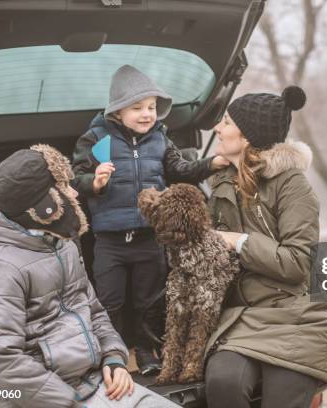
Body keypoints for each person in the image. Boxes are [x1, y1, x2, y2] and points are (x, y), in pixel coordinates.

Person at [0, 145, 180, 408]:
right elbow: (2, 364)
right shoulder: (1, 270)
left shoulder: (63, 246)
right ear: (45, 207)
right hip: (46, 399)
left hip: (95, 382)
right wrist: (70, 401)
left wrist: (113, 358)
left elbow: (94, 310)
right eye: (64, 186)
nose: (75, 192)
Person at [72, 65, 229, 375]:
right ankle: (112, 355)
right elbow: (75, 179)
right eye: (137, 108)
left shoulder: (160, 139)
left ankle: (146, 351)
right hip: (110, 242)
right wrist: (95, 182)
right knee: (109, 301)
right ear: (117, 111)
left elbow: (181, 170)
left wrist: (213, 163)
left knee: (149, 300)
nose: (147, 114)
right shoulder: (95, 140)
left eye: (152, 107)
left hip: (149, 238)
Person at [203, 86, 327, 408]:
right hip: (243, 316)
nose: (217, 129)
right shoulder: (222, 182)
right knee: (223, 382)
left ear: (248, 136)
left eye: (225, 122)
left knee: (282, 396)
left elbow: (297, 263)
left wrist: (238, 241)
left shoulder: (293, 185)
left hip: (298, 316)